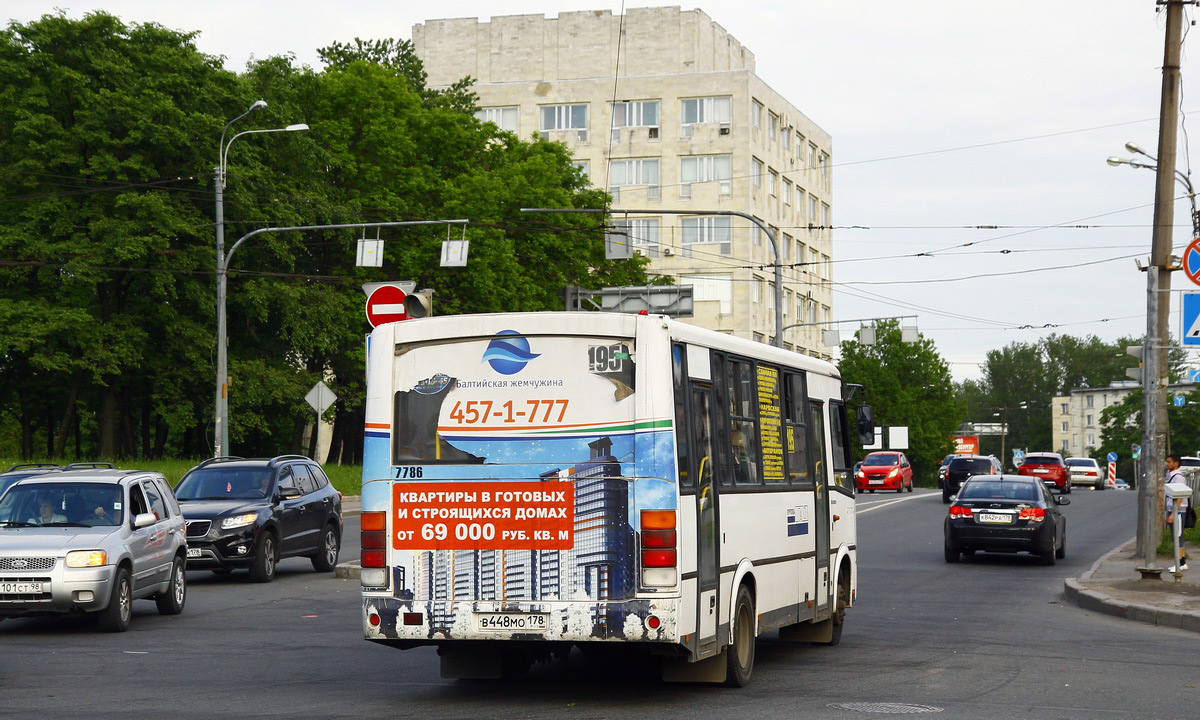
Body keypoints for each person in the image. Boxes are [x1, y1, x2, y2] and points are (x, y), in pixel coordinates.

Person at [1165, 454, 1190, 572]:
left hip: (1178, 511)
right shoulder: (1172, 475)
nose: (1167, 464)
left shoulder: (1178, 477)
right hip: (1175, 510)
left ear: (1176, 463)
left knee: (1177, 536)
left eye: (1169, 462)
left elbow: (1179, 495)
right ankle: (1182, 562)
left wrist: (1172, 514)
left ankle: (1179, 564)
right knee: (1178, 536)